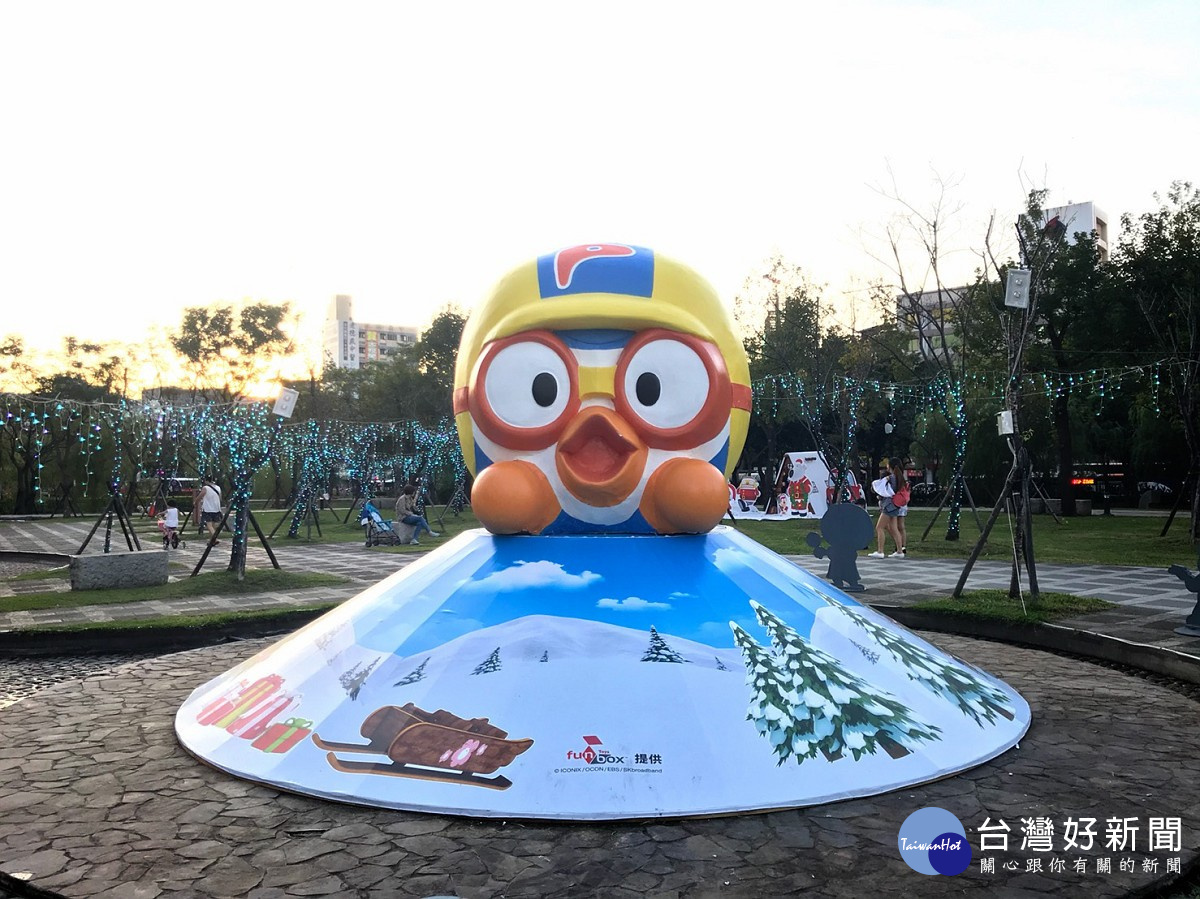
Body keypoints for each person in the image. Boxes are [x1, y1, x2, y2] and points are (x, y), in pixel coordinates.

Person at [867, 461, 907, 558]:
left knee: (879, 527)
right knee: (894, 528)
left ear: (891, 466)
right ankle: (899, 551)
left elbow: (880, 488)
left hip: (888, 505)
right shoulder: (899, 477)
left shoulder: (891, 478)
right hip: (895, 505)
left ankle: (880, 551)